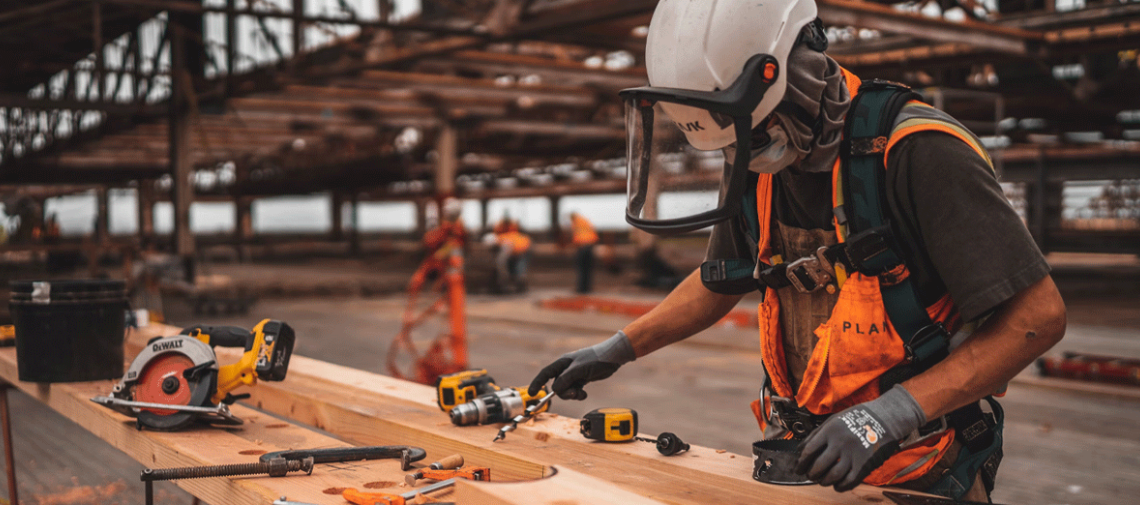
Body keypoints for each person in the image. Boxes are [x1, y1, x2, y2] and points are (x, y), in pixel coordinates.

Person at [528, 0, 1066, 501]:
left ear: (795, 74)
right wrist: (617, 348)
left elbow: (1038, 317)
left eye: (755, 134)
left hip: (919, 466)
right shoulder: (754, 160)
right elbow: (721, 281)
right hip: (799, 458)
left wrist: (890, 414)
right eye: (736, 141)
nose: (745, 152)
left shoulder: (917, 151)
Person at [568, 212, 598, 293]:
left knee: (581, 268)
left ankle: (581, 288)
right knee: (587, 268)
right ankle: (587, 288)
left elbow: (576, 235)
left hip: (582, 246)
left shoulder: (576, 223)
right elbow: (592, 231)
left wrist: (574, 246)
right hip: (590, 245)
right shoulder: (585, 221)